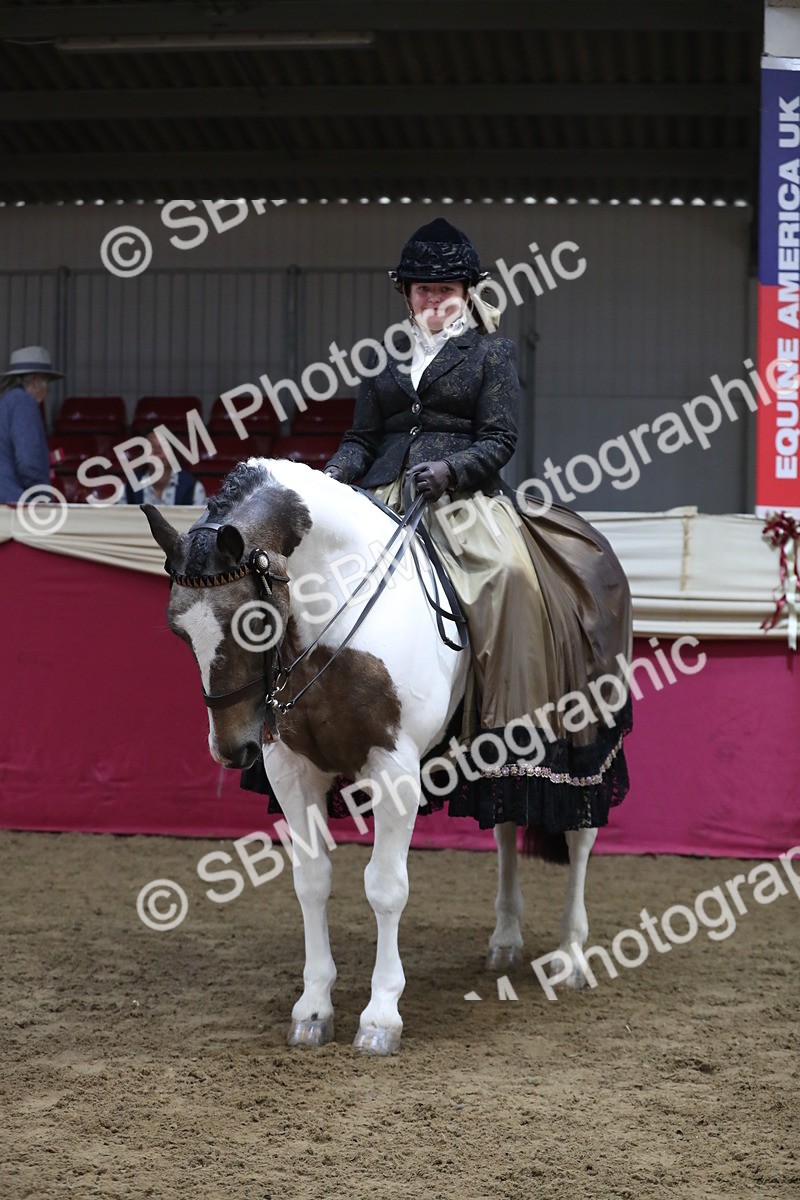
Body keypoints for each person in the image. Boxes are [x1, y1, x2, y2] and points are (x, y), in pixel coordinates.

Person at [320, 218, 633, 835]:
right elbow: (361, 439)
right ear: (405, 294)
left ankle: (501, 725)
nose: (432, 300)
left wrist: (450, 470)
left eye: (444, 290)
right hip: (382, 495)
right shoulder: (384, 360)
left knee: (509, 576)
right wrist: (330, 478)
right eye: (421, 290)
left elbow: (500, 439)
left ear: (466, 292)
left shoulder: (492, 352)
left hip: (462, 501)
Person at [0, 345, 61, 502]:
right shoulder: (24, 402)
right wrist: (41, 495)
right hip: (12, 500)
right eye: (46, 382)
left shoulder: (7, 402)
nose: (47, 390)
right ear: (36, 381)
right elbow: (28, 459)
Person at [121, 428, 206, 506]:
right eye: (151, 447)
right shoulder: (129, 488)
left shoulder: (194, 487)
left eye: (163, 447)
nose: (157, 452)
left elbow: (202, 522)